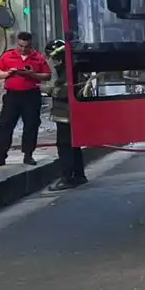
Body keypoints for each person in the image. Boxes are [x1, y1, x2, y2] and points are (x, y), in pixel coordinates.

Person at [0, 31, 50, 167]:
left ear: (31, 45)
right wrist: (7, 73)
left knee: (31, 125)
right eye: (20, 46)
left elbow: (47, 75)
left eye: (26, 47)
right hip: (12, 96)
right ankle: (0, 156)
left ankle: (28, 155)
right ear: (17, 44)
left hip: (31, 95)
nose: (23, 49)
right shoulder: (8, 56)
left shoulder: (38, 58)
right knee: (5, 124)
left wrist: (32, 74)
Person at [46, 39, 86, 192]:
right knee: (74, 145)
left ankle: (68, 178)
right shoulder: (73, 67)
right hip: (68, 113)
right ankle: (79, 175)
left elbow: (68, 91)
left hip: (66, 114)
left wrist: (50, 90)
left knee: (65, 146)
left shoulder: (67, 70)